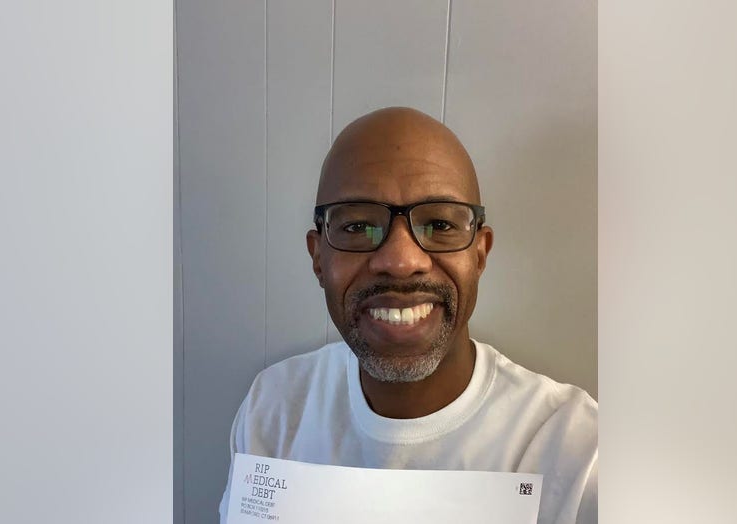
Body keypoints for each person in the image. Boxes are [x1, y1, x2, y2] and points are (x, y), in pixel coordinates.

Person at [219, 107, 597, 523]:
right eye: (358, 227)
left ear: (480, 253)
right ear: (318, 258)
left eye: (439, 223)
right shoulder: (274, 408)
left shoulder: (577, 452)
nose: (401, 261)